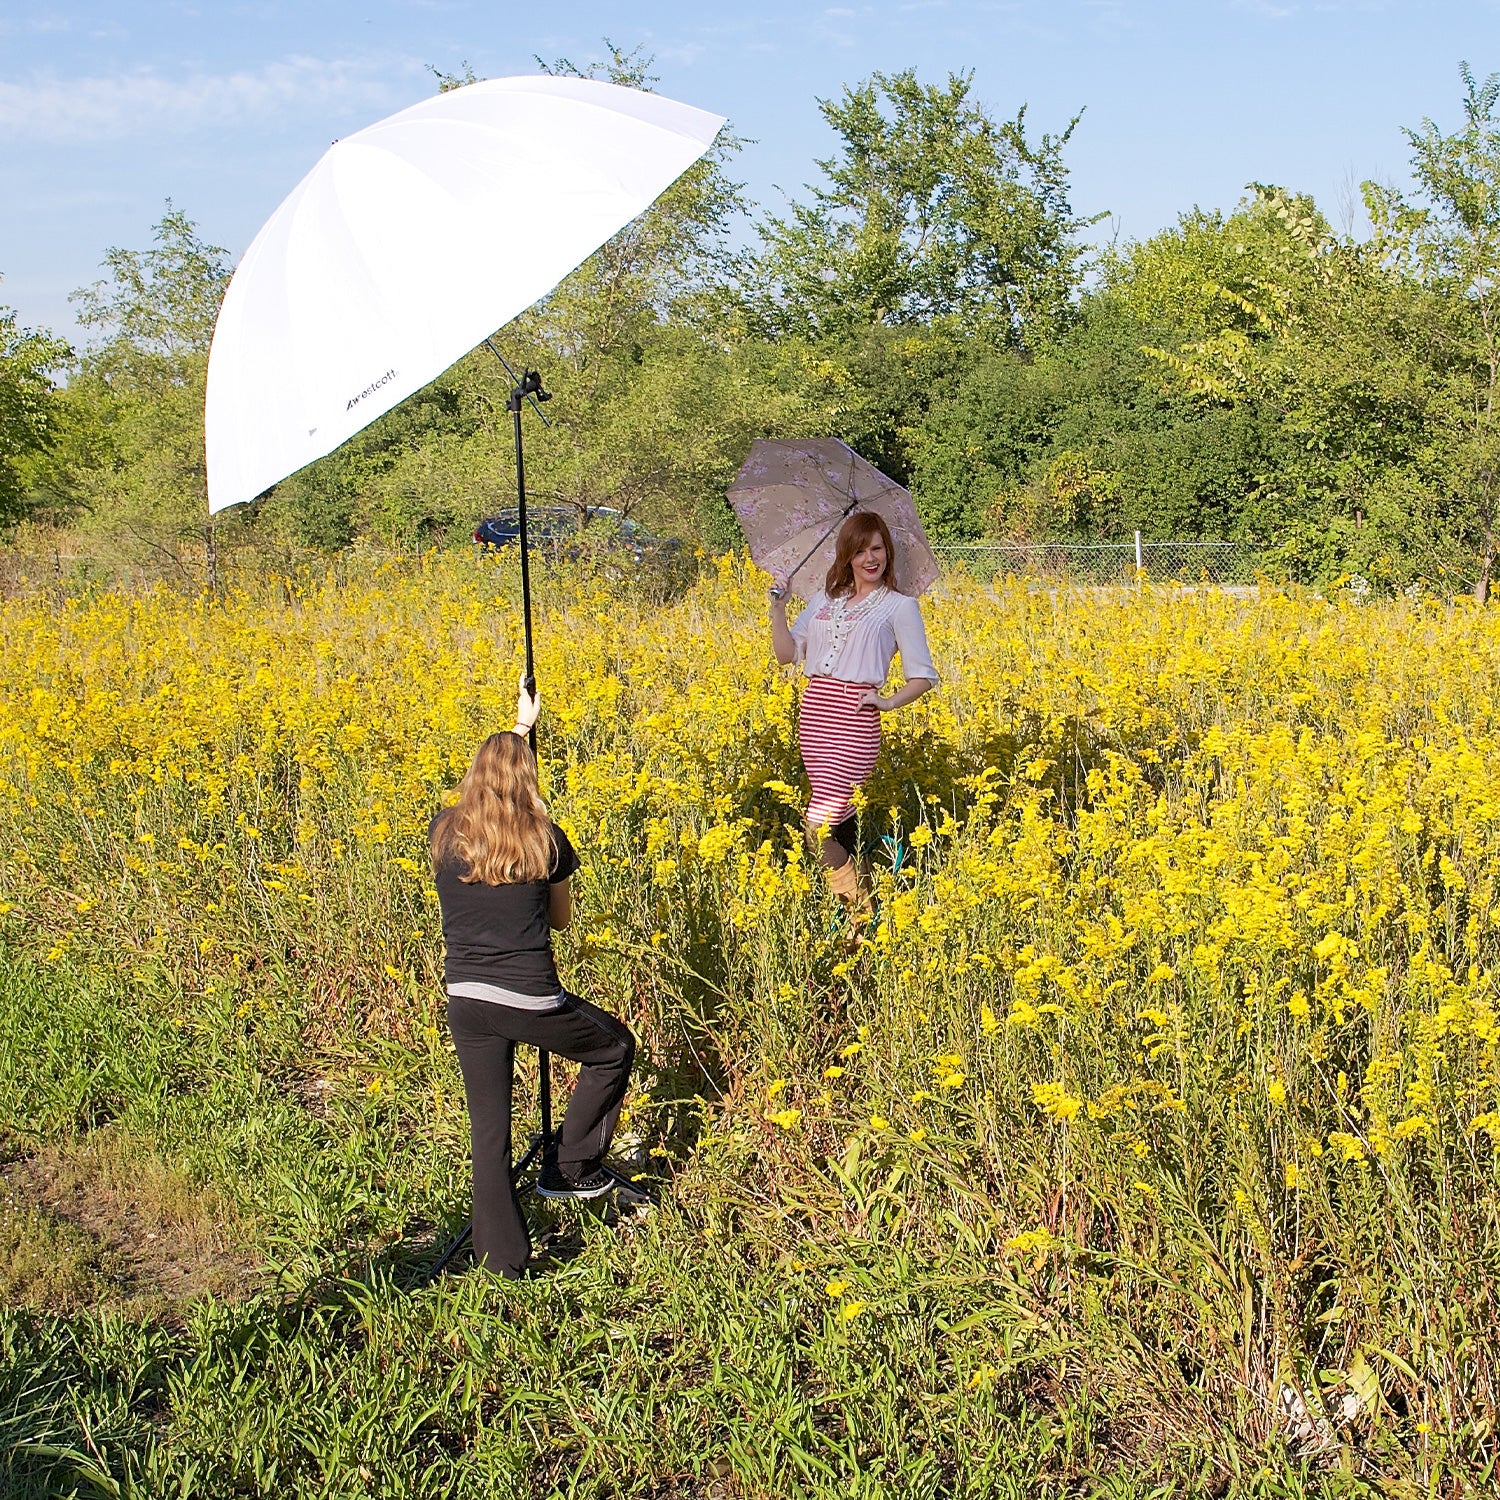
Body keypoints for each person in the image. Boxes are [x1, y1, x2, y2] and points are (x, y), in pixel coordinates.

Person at [430, 682, 636, 1279]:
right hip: (530, 999)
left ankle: (504, 1263)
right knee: (614, 1047)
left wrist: (520, 727)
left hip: (466, 999)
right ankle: (571, 1166)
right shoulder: (544, 840)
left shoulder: (446, 833)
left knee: (488, 1133)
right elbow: (561, 922)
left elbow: (496, 783)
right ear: (529, 782)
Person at [768, 511, 938, 909]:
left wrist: (888, 701)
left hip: (853, 719)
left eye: (877, 548)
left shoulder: (900, 607)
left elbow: (923, 675)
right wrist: (778, 609)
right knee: (838, 823)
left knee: (817, 826)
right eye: (860, 550)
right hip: (814, 714)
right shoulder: (826, 601)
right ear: (847, 555)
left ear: (887, 551)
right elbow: (786, 655)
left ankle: (860, 913)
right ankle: (862, 891)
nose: (870, 558)